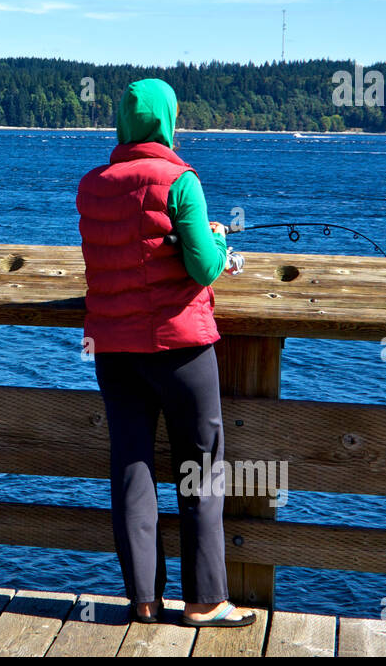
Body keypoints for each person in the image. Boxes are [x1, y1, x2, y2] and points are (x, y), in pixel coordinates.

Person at [76, 77, 254, 627]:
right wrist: (219, 240)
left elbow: (125, 249)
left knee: (131, 467)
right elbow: (202, 266)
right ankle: (204, 600)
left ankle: (144, 601)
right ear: (169, 121)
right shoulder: (181, 181)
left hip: (112, 348)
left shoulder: (92, 184)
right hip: (180, 347)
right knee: (199, 471)